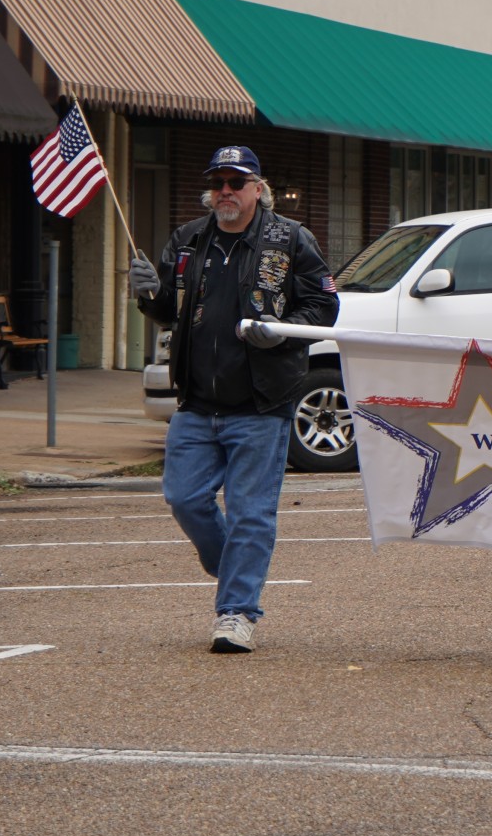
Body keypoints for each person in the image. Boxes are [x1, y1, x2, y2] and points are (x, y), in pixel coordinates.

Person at [129, 146, 337, 653]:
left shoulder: (289, 240)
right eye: (218, 182)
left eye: (236, 182)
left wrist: (281, 333)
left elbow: (324, 306)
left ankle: (237, 613)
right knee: (183, 497)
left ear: (257, 189)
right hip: (197, 402)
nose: (225, 190)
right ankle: (233, 567)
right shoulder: (187, 240)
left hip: (262, 402)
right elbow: (167, 311)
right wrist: (146, 293)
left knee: (250, 513)